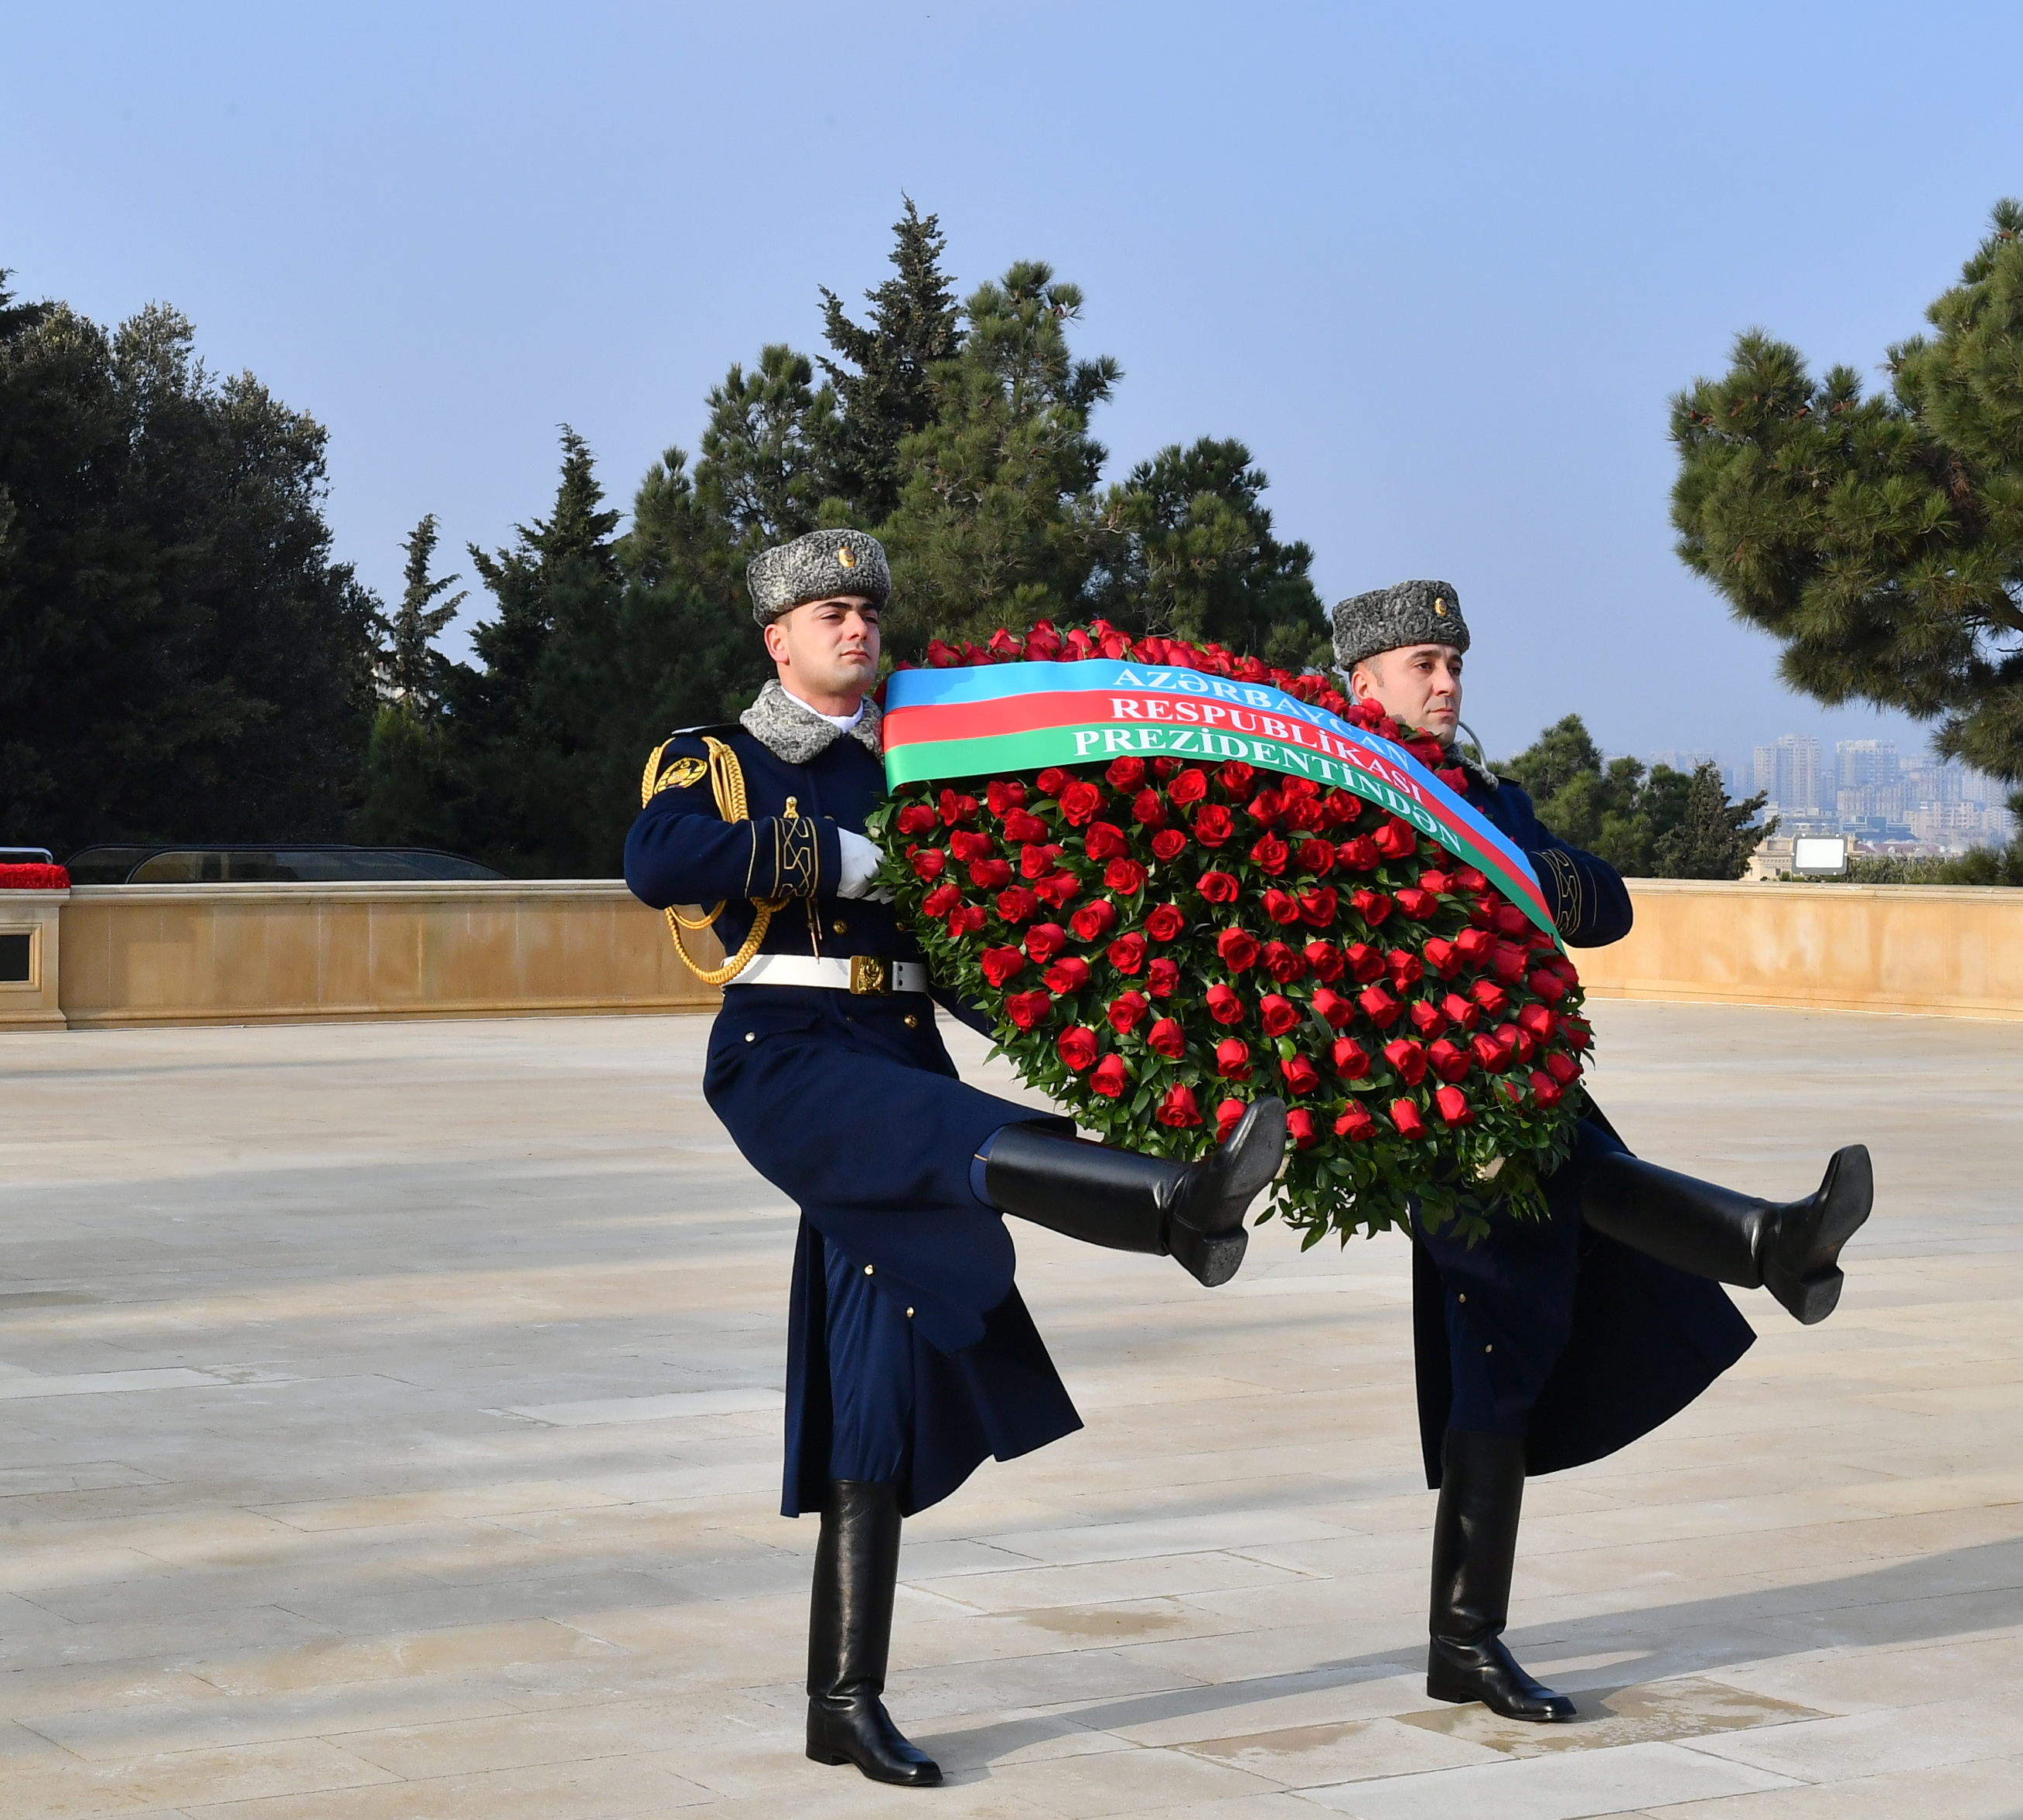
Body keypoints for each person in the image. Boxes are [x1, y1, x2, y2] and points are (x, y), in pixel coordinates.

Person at [624, 529, 1288, 1788]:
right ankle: (1177, 1211)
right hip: (788, 1048)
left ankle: (843, 1696)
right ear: (776, 640)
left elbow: (975, 965)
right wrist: (823, 853)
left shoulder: (917, 777)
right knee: (957, 1142)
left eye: (867, 610)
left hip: (897, 1042)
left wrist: (1113, 1048)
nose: (854, 628)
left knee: (872, 1373)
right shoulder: (720, 757)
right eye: (826, 614)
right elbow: (653, 861)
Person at [1332, 580, 1874, 1723]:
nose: (1443, 683)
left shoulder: (1484, 796)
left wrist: (1525, 872)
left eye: (1451, 664)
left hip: (1517, 1082)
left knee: (1512, 1346)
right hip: (1413, 1099)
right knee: (1516, 1306)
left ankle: (1461, 1641)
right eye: (1420, 664)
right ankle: (1766, 1240)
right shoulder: (1333, 792)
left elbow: (1605, 904)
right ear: (1360, 684)